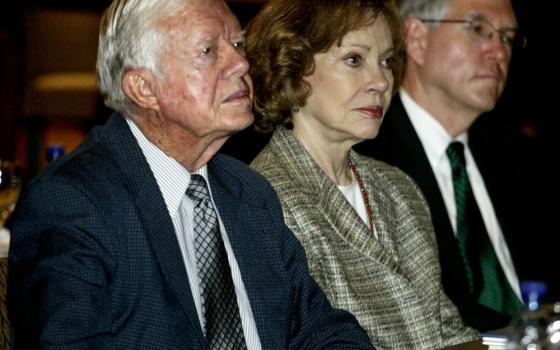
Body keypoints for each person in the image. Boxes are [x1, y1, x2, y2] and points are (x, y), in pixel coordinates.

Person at [6, 0, 375, 348]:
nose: (241, 64)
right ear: (144, 88)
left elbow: (319, 331)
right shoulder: (73, 204)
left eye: (237, 43)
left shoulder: (248, 193)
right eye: (209, 51)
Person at [246, 0, 478, 348]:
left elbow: (448, 332)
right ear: (291, 68)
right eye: (354, 60)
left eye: (386, 62)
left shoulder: (398, 189)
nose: (381, 82)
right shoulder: (264, 201)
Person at [355, 0, 559, 331]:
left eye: (507, 38)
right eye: (478, 30)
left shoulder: (525, 159)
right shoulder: (366, 159)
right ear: (417, 39)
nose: (498, 52)